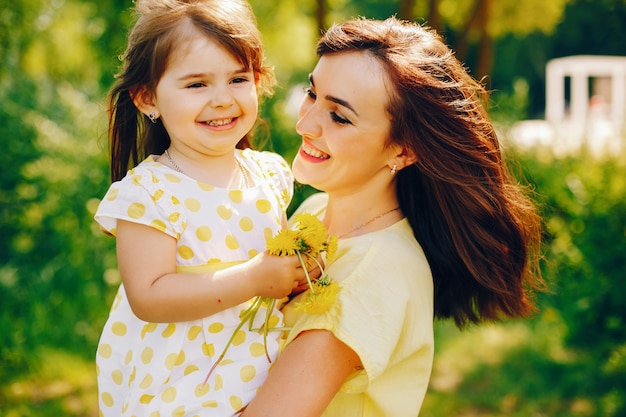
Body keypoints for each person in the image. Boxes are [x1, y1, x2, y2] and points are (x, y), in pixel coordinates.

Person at [241, 17, 544, 417]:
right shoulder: (315, 213)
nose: (305, 123)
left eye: (340, 116)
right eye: (312, 94)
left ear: (403, 150)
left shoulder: (371, 278)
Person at [93, 0, 312, 415]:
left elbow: (274, 271)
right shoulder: (150, 191)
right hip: (180, 385)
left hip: (258, 371)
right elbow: (150, 296)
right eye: (197, 85)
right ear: (147, 98)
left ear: (258, 81)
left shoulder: (268, 174)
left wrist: (294, 274)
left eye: (237, 79)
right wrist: (254, 278)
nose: (222, 99)